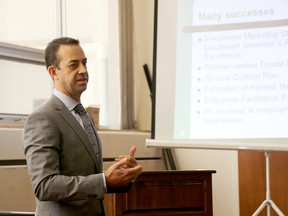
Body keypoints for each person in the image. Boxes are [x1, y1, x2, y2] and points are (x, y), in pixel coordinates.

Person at [23, 37, 143, 216]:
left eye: (85, 63)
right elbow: (44, 185)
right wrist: (104, 180)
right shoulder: (42, 117)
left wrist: (118, 177)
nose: (83, 70)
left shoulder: (84, 115)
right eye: (73, 65)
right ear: (53, 72)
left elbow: (86, 177)